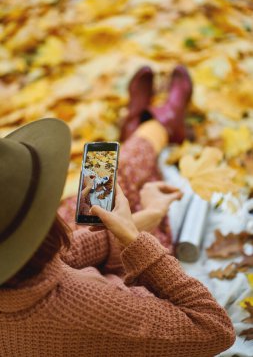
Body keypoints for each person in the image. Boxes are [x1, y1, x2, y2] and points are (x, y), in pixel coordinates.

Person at [0, 66, 236, 357]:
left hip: (70, 295)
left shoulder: (17, 270)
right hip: (114, 305)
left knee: (102, 193)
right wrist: (136, 241)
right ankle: (158, 123)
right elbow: (215, 328)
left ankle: (149, 126)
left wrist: (131, 225)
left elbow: (58, 257)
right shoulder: (88, 306)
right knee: (122, 186)